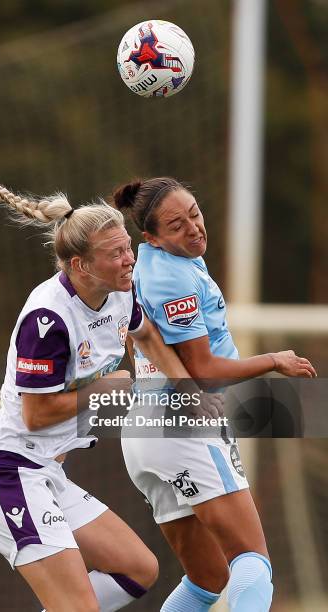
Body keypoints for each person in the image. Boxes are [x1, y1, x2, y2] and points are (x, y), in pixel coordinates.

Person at [0, 155, 201, 612]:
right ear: (80, 265)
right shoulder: (48, 318)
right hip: (7, 472)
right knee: (77, 607)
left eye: (126, 247)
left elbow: (146, 334)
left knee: (139, 569)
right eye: (114, 253)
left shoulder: (120, 290)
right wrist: (109, 387)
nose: (128, 258)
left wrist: (187, 387)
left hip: (47, 471)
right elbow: (36, 415)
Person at [113, 177, 317, 612]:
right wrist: (274, 360)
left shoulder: (153, 262)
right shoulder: (172, 279)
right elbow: (203, 372)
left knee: (207, 578)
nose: (193, 228)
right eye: (176, 224)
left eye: (195, 214)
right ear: (150, 236)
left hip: (146, 435)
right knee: (253, 560)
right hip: (184, 427)